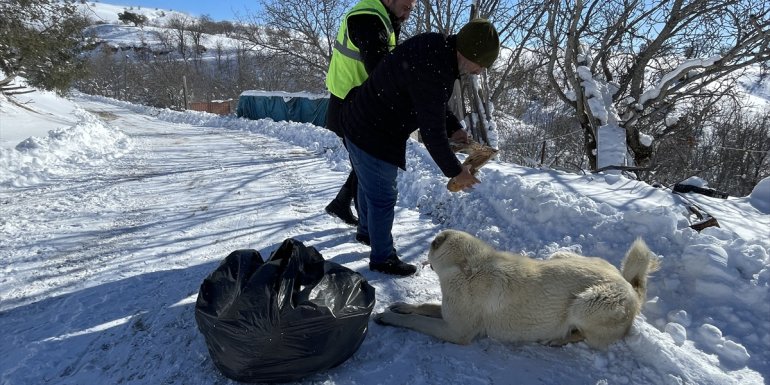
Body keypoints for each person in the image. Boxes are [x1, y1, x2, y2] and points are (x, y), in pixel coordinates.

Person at [341, 19, 500, 276]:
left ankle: (366, 232)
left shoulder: (436, 48)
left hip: (359, 118)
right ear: (468, 54)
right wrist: (456, 171)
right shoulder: (437, 69)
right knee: (382, 196)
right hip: (373, 131)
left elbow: (431, 102)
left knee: (367, 182)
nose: (480, 71)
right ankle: (383, 258)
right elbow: (431, 133)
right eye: (480, 64)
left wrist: (454, 127)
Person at [324, 0, 418, 226]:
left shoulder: (384, 17)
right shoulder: (368, 19)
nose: (407, 15)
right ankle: (368, 229)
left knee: (364, 164)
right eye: (406, 7)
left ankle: (342, 203)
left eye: (410, 10)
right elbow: (381, 71)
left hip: (355, 103)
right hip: (350, 107)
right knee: (369, 166)